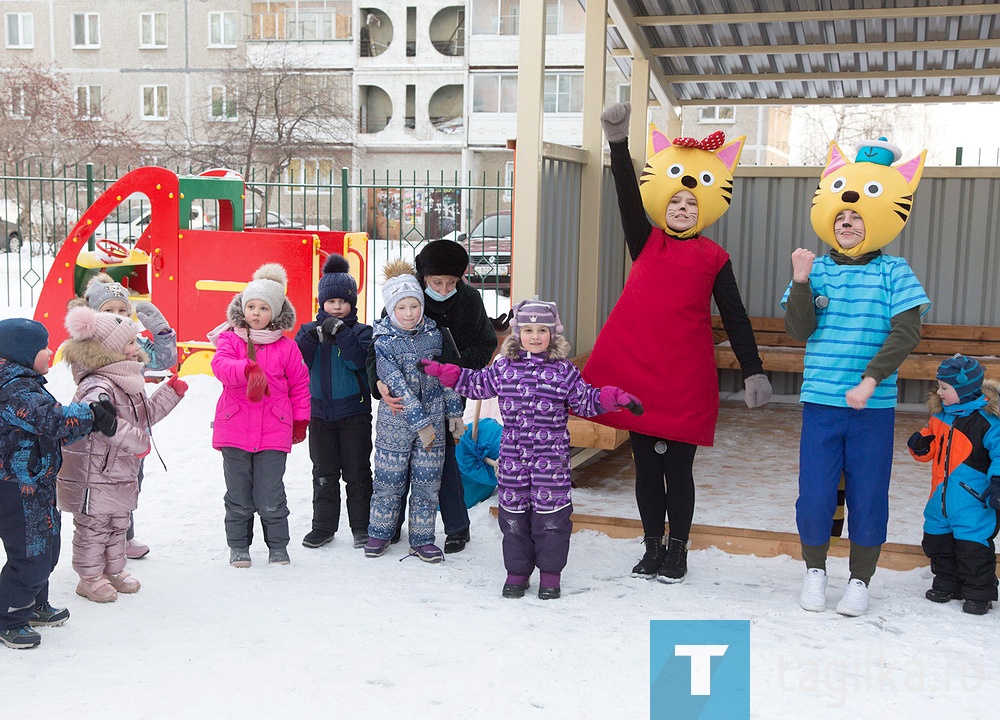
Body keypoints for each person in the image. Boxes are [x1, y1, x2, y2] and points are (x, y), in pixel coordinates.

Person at [584, 102, 771, 584]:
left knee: (678, 472)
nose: (683, 209)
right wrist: (619, 142)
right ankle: (652, 546)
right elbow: (626, 193)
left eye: (691, 205)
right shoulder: (644, 242)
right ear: (664, 204)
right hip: (640, 374)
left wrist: (753, 369)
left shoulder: (715, 258)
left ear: (702, 210)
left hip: (686, 380)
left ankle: (679, 550)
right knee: (646, 468)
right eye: (675, 203)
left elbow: (735, 318)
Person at [783, 137, 929, 617]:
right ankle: (814, 570)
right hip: (822, 403)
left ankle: (861, 579)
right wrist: (802, 282)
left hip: (873, 407)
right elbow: (799, 329)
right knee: (817, 492)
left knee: (868, 493)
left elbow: (906, 332)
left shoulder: (895, 271)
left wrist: (871, 380)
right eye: (842, 218)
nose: (847, 224)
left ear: (877, 221)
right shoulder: (817, 268)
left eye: (857, 218)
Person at [421, 300, 643, 599]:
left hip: (551, 460)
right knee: (513, 516)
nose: (535, 336)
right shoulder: (504, 367)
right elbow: (476, 383)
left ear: (552, 334)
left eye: (542, 330)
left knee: (552, 518)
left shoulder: (564, 371)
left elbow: (585, 400)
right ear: (518, 333)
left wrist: (613, 398)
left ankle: (550, 575)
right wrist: (445, 372)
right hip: (513, 457)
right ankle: (517, 573)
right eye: (528, 329)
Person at [366, 239, 496, 553]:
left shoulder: (468, 300)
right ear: (424, 277)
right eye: (437, 282)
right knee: (397, 467)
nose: (443, 287)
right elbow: (379, 350)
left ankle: (455, 528)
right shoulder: (404, 295)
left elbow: (485, 344)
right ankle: (390, 527)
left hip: (446, 395)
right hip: (401, 402)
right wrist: (378, 385)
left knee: (443, 464)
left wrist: (454, 367)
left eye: (451, 282)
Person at [0, 319, 117, 648]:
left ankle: (34, 604)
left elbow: (51, 423)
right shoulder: (12, 387)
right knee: (31, 554)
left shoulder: (23, 380)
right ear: (23, 352)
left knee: (46, 549)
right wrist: (92, 414)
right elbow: (52, 421)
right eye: (45, 347)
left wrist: (88, 418)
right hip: (17, 487)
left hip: (35, 483)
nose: (51, 352)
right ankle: (9, 617)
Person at [58, 307, 184, 603]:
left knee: (119, 523)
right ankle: (89, 578)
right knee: (94, 526)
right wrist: (139, 442)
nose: (136, 348)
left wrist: (171, 393)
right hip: (95, 471)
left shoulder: (127, 378)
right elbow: (103, 424)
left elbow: (144, 415)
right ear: (109, 348)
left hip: (120, 469)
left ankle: (113, 570)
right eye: (129, 342)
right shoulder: (97, 385)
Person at [209, 264, 310, 568]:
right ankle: (239, 546)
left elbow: (300, 384)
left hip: (273, 431)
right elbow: (220, 368)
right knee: (238, 495)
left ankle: (278, 545)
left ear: (275, 313)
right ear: (242, 307)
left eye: (263, 308)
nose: (255, 313)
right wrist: (246, 369)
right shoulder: (230, 340)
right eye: (250, 306)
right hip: (235, 427)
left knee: (270, 494)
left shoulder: (287, 347)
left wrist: (300, 420)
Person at [365, 259, 464, 563]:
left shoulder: (435, 335)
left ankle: (422, 538)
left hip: (433, 422)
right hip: (396, 423)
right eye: (401, 308)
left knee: (427, 483)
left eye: (414, 306)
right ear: (391, 309)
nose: (409, 313)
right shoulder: (383, 339)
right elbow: (396, 382)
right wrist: (421, 423)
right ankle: (380, 531)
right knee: (388, 480)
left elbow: (447, 376)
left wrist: (454, 414)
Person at [74, 273, 179, 560]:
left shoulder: (133, 343)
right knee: (102, 485)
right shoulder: (90, 346)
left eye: (123, 311)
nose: (119, 317)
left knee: (130, 482)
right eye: (109, 311)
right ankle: (100, 543)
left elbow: (164, 361)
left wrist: (162, 333)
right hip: (106, 428)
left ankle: (124, 536)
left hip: (133, 428)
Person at [907, 355, 1000, 615]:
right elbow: (932, 447)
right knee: (937, 542)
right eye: (939, 386)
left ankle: (979, 592)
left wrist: (998, 483)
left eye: (945, 388)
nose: (939, 392)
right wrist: (921, 444)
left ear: (964, 390)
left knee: (973, 547)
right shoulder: (940, 417)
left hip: (973, 500)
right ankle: (947, 581)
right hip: (940, 498)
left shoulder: (988, 423)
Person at [295, 254, 374, 550]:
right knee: (324, 473)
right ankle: (323, 526)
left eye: (343, 302)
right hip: (320, 415)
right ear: (321, 303)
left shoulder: (362, 333)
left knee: (357, 471)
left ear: (352, 303)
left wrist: (343, 335)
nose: (337, 307)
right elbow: (297, 362)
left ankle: (361, 526)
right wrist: (313, 338)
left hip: (354, 413)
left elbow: (359, 364)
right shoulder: (307, 332)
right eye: (331, 302)